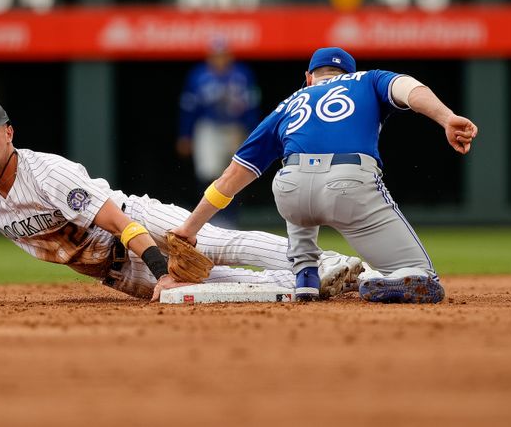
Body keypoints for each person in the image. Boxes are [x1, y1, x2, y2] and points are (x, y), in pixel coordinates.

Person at [0, 97, 364, 304]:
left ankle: (333, 261)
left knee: (219, 243)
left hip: (136, 223)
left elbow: (117, 221)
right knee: (219, 289)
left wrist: (162, 264)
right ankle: (316, 284)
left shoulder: (44, 171)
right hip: (113, 272)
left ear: (8, 134)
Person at [171, 47, 478, 304]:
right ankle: (390, 276)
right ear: (348, 74)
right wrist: (447, 117)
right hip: (349, 186)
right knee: (424, 277)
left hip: (292, 192)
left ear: (308, 78)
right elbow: (409, 88)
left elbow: (230, 179)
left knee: (290, 172)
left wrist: (189, 228)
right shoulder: (368, 80)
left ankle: (305, 271)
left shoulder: (288, 103)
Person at [176, 37, 260, 228]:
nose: (220, 59)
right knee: (208, 172)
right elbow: (189, 108)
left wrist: (252, 132)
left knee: (237, 172)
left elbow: (252, 105)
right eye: (216, 55)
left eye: (223, 55)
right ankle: (208, 219)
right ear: (210, 56)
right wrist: (185, 135)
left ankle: (231, 219)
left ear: (230, 56)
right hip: (208, 127)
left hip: (235, 127)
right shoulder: (198, 75)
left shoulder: (242, 74)